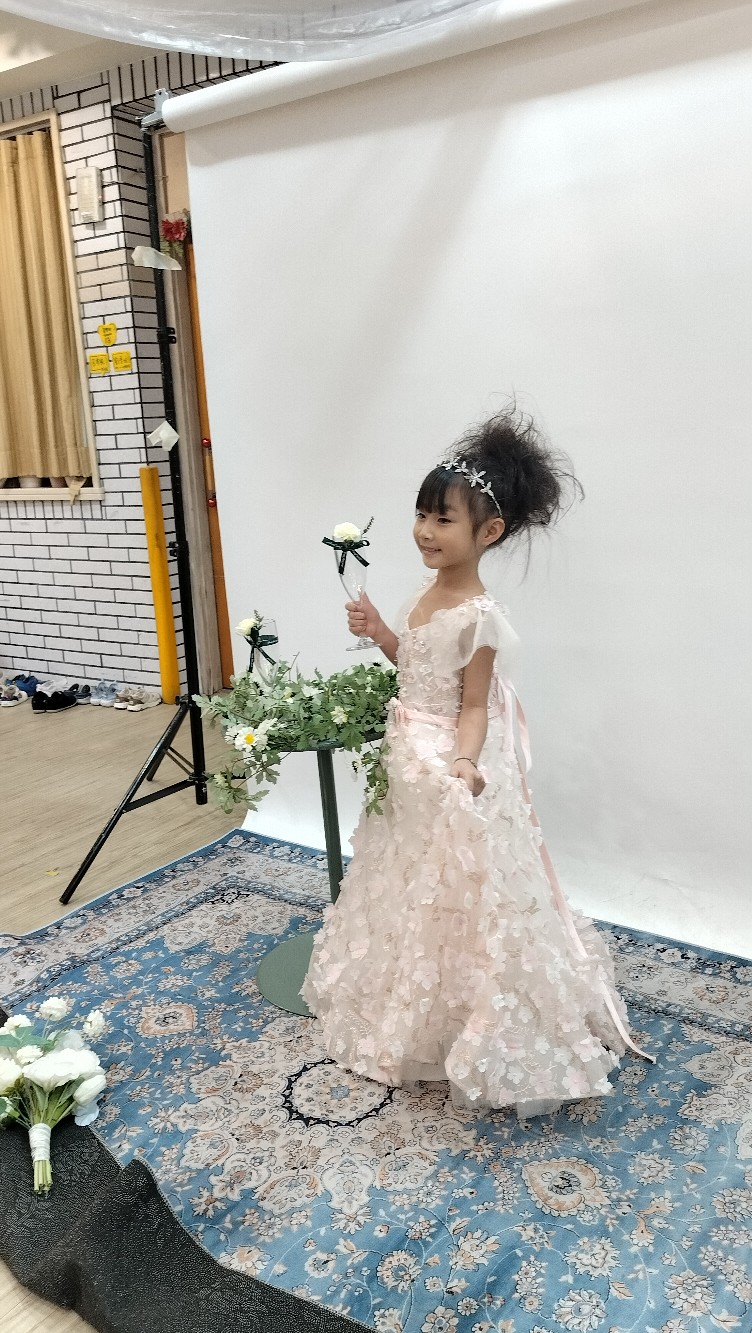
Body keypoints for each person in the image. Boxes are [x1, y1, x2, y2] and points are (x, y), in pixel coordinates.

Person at [301, 408, 649, 1116]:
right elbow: (416, 669)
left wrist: (463, 762)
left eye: (443, 519)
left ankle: (470, 1010)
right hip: (408, 753)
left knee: (459, 883)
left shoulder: (480, 616)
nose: (425, 531)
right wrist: (381, 632)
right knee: (411, 876)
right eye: (421, 515)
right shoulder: (425, 595)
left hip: (449, 763)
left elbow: (472, 705)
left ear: (488, 533)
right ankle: (409, 996)